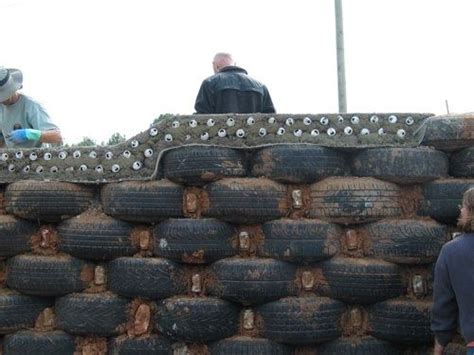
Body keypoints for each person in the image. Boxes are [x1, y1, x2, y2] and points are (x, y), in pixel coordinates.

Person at [431, 187, 474, 355]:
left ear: (470, 210)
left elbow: (444, 306)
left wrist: (439, 347)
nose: (461, 210)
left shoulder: (452, 252)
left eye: (463, 206)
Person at [0, 67, 62, 148]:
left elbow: (57, 137)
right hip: (14, 158)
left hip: (38, 157)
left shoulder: (31, 106)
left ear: (11, 90)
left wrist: (30, 134)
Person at [194, 52, 276, 114]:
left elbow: (201, 119)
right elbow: (271, 119)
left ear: (215, 66)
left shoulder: (209, 83)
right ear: (235, 64)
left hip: (221, 136)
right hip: (253, 136)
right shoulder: (261, 87)